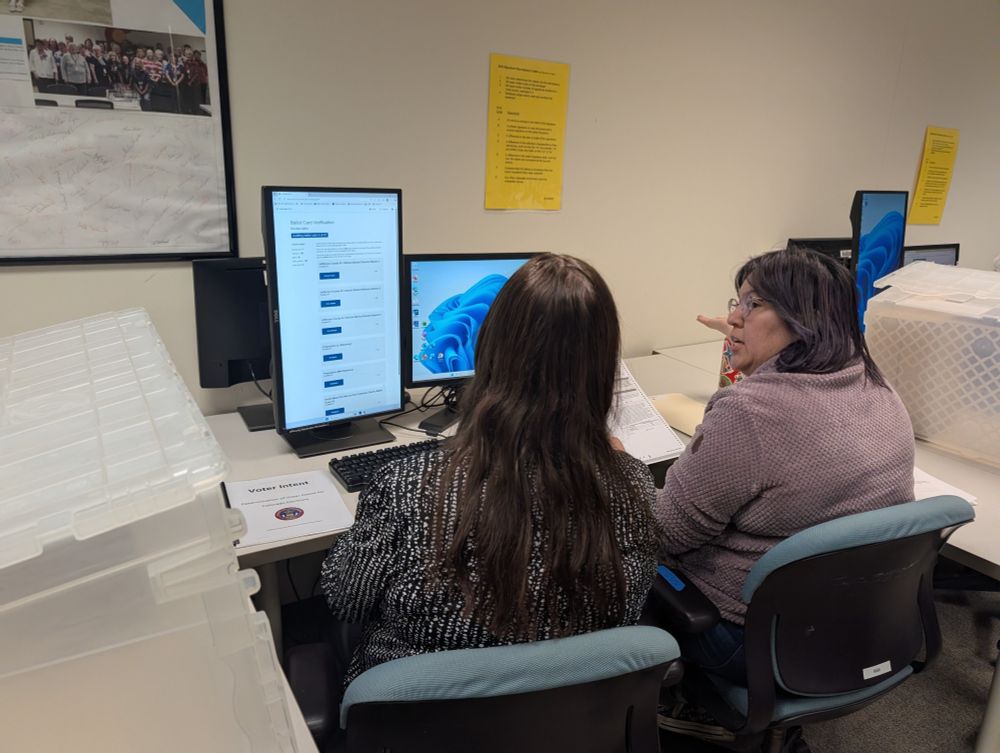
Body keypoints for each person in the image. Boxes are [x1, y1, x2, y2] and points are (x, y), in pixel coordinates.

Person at [320, 253, 660, 690]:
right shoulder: (632, 485)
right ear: (601, 365)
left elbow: (343, 598)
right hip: (569, 721)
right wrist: (617, 464)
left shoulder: (407, 486)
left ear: (489, 350)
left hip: (423, 724)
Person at [651, 247, 914, 735]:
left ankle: (671, 696)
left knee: (614, 539)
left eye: (751, 304)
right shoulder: (879, 388)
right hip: (863, 625)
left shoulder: (749, 414)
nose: (733, 316)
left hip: (746, 639)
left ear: (803, 319)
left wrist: (621, 470)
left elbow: (664, 534)